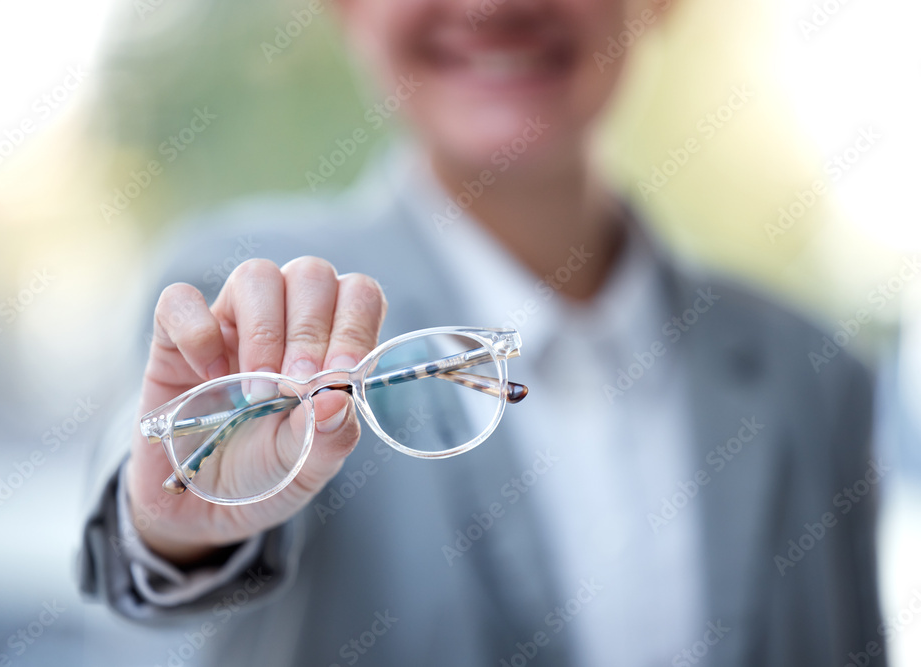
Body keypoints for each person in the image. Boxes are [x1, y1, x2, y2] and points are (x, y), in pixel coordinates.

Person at [80, 0, 885, 664]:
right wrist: (174, 530)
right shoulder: (244, 300)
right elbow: (154, 579)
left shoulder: (814, 373)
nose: (493, 6)